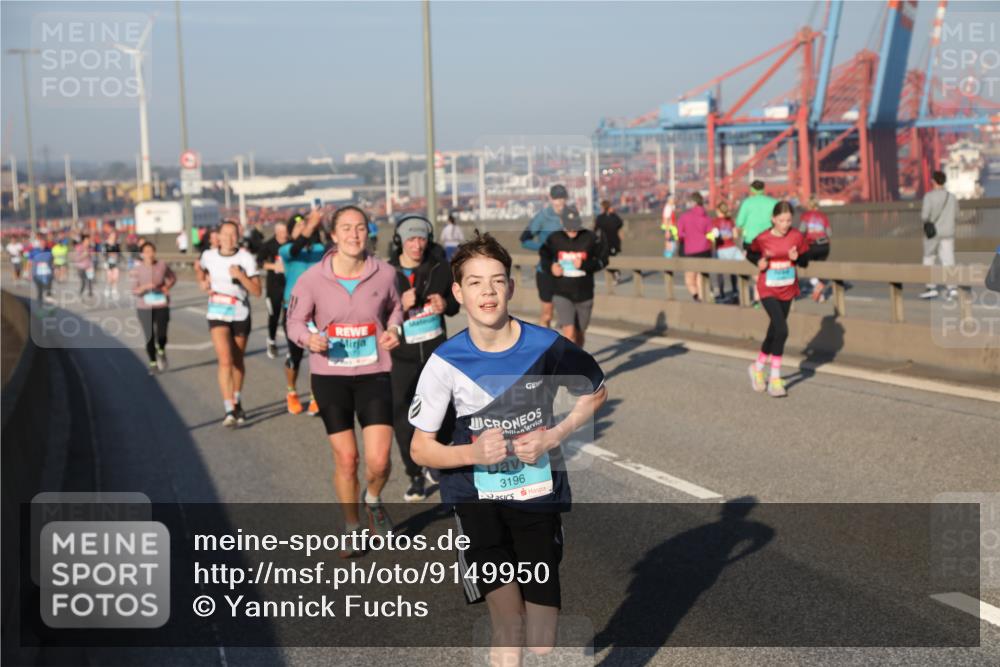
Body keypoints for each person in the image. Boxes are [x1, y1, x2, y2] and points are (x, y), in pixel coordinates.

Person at [408, 233, 607, 667]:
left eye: (497, 281)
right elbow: (421, 450)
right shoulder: (445, 362)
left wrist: (556, 436)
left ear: (511, 288)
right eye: (476, 283)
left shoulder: (545, 345)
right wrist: (472, 455)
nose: (488, 292)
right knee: (508, 623)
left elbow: (596, 391)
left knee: (541, 638)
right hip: (476, 501)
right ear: (458, 292)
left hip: (537, 497)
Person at [286, 205, 402, 552]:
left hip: (374, 372)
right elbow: (294, 322)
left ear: (369, 233)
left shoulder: (384, 273)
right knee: (347, 459)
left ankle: (374, 499)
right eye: (347, 229)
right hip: (330, 375)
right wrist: (309, 339)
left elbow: (395, 307)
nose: (354, 235)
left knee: (379, 460)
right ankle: (352, 525)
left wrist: (395, 328)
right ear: (333, 236)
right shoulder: (311, 279)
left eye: (361, 228)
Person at [388, 216, 460, 502]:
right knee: (404, 417)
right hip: (402, 356)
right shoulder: (387, 273)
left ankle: (435, 457)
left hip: (435, 353)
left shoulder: (441, 267)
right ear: (399, 241)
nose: (417, 245)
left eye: (421, 239)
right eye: (410, 239)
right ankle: (414, 475)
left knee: (445, 412)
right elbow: (376, 313)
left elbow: (455, 303)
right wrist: (399, 306)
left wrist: (446, 304)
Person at [195, 220, 262, 427]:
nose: (229, 238)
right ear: (219, 235)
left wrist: (241, 276)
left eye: (233, 234)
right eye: (225, 234)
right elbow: (199, 267)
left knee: (237, 361)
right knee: (224, 360)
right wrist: (202, 281)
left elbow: (257, 291)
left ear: (238, 236)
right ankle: (229, 409)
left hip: (240, 311)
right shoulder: (209, 255)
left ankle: (237, 397)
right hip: (217, 310)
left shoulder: (246, 258)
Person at [745, 201, 811, 398]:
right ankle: (775, 379)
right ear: (773, 219)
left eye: (789, 220)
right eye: (781, 220)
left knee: (774, 332)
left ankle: (757, 368)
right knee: (782, 330)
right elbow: (750, 252)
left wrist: (797, 256)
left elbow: (806, 261)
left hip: (787, 289)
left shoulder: (797, 236)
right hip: (768, 289)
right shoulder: (763, 238)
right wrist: (759, 261)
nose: (785, 224)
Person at [278, 211, 329, 416]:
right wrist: (308, 227)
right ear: (291, 232)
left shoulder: (320, 250)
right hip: (294, 310)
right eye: (297, 227)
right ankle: (291, 391)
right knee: (295, 356)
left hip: (319, 309)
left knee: (318, 352)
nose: (303, 229)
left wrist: (321, 225)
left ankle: (316, 395)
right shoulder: (287, 250)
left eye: (305, 226)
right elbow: (298, 245)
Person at [539, 205, 607, 347]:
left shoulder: (589, 238)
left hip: (585, 294)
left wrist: (584, 265)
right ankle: (570, 367)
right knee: (569, 334)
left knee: (580, 335)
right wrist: (551, 267)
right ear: (562, 223)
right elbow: (544, 257)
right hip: (561, 292)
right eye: (569, 226)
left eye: (575, 226)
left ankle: (577, 360)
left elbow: (603, 260)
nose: (572, 230)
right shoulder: (555, 238)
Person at [520, 184, 569, 329]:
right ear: (550, 198)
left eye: (562, 198)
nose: (560, 202)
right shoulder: (542, 217)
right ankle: (544, 347)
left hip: (567, 270)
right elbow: (524, 240)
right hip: (546, 271)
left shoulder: (571, 214)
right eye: (556, 198)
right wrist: (543, 247)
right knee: (547, 314)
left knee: (569, 318)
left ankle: (568, 351)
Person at [131, 242, 177, 375]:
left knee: (162, 335)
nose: (149, 254)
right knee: (149, 336)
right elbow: (134, 290)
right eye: (146, 251)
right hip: (144, 306)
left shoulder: (162, 265)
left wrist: (166, 287)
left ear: (154, 252)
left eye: (151, 251)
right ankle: (153, 363)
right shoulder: (137, 270)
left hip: (161, 304)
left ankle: (161, 350)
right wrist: (145, 287)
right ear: (142, 254)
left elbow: (172, 278)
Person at [919, 170, 958, 300]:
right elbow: (956, 214)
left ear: (933, 181)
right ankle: (952, 288)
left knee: (929, 258)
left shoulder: (929, 197)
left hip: (933, 233)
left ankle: (931, 288)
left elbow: (925, 216)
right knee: (948, 260)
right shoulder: (951, 197)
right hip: (948, 232)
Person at [257, 220, 288, 359]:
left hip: (289, 285)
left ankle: (291, 345)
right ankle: (271, 341)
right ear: (276, 232)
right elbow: (259, 262)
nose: (283, 235)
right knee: (274, 315)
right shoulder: (268, 245)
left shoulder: (291, 244)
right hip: (274, 286)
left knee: (289, 317)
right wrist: (274, 267)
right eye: (280, 232)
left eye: (285, 232)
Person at [675, 192, 714, 301]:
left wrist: (687, 236)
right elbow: (710, 233)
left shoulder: (685, 217)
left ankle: (697, 298)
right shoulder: (707, 217)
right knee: (701, 278)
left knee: (689, 280)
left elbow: (679, 235)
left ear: (693, 202)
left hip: (690, 251)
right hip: (705, 250)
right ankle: (703, 299)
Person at [799, 195, 832, 302]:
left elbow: (802, 231)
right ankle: (821, 295)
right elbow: (829, 233)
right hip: (824, 246)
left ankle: (816, 284)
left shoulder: (806, 216)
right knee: (820, 268)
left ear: (808, 205)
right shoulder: (823, 216)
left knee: (808, 268)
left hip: (811, 246)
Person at [712, 201, 742, 301]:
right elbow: (735, 235)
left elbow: (715, 235)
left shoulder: (715, 221)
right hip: (732, 248)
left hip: (721, 249)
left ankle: (721, 294)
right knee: (733, 271)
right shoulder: (730, 220)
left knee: (720, 273)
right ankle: (734, 291)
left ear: (717, 210)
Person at [594, 200, 623, 283]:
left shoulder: (600, 218)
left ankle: (616, 273)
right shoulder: (614, 217)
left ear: (603, 208)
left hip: (605, 243)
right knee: (611, 259)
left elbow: (595, 229)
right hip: (615, 242)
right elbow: (620, 224)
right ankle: (616, 274)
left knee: (606, 260)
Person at [28, 239, 54, 305]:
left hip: (47, 274)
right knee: (40, 290)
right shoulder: (34, 251)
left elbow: (52, 262)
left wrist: (54, 270)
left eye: (44, 243)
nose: (43, 245)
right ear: (39, 244)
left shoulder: (49, 250)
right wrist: (29, 273)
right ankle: (40, 305)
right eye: (42, 243)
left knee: (48, 290)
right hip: (37, 275)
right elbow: (29, 262)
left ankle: (49, 305)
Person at [103, 227, 122, 300]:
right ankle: (107, 288)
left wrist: (117, 257)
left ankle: (114, 291)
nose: (113, 237)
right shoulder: (106, 244)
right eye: (112, 235)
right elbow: (104, 254)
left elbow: (119, 253)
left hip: (116, 262)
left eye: (114, 236)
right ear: (109, 236)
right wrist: (105, 262)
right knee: (110, 278)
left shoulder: (117, 244)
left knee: (116, 278)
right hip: (108, 263)